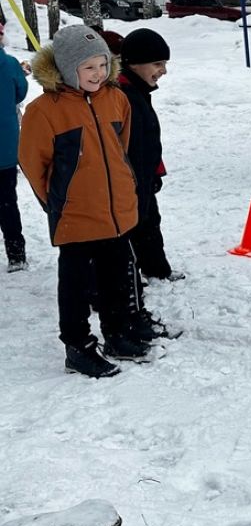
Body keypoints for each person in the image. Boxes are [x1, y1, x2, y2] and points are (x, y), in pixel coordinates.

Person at [19, 26, 168, 377]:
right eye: (89, 68)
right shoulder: (45, 110)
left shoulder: (115, 99)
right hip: (76, 215)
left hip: (115, 213)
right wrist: (59, 202)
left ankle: (117, 334)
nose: (98, 73)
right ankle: (79, 347)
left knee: (116, 278)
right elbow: (32, 162)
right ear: (69, 69)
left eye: (102, 65)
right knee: (76, 285)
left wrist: (125, 188)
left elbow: (122, 149)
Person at [118, 29, 184, 283]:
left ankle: (155, 268)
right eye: (157, 64)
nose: (163, 71)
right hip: (128, 181)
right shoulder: (123, 95)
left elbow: (147, 141)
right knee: (133, 226)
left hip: (143, 175)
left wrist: (155, 170)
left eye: (165, 64)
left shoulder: (139, 91)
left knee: (149, 221)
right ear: (134, 63)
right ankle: (129, 276)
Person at [0, 20, 28, 272]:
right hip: (5, 147)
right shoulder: (8, 64)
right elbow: (21, 91)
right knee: (7, 202)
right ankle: (16, 254)